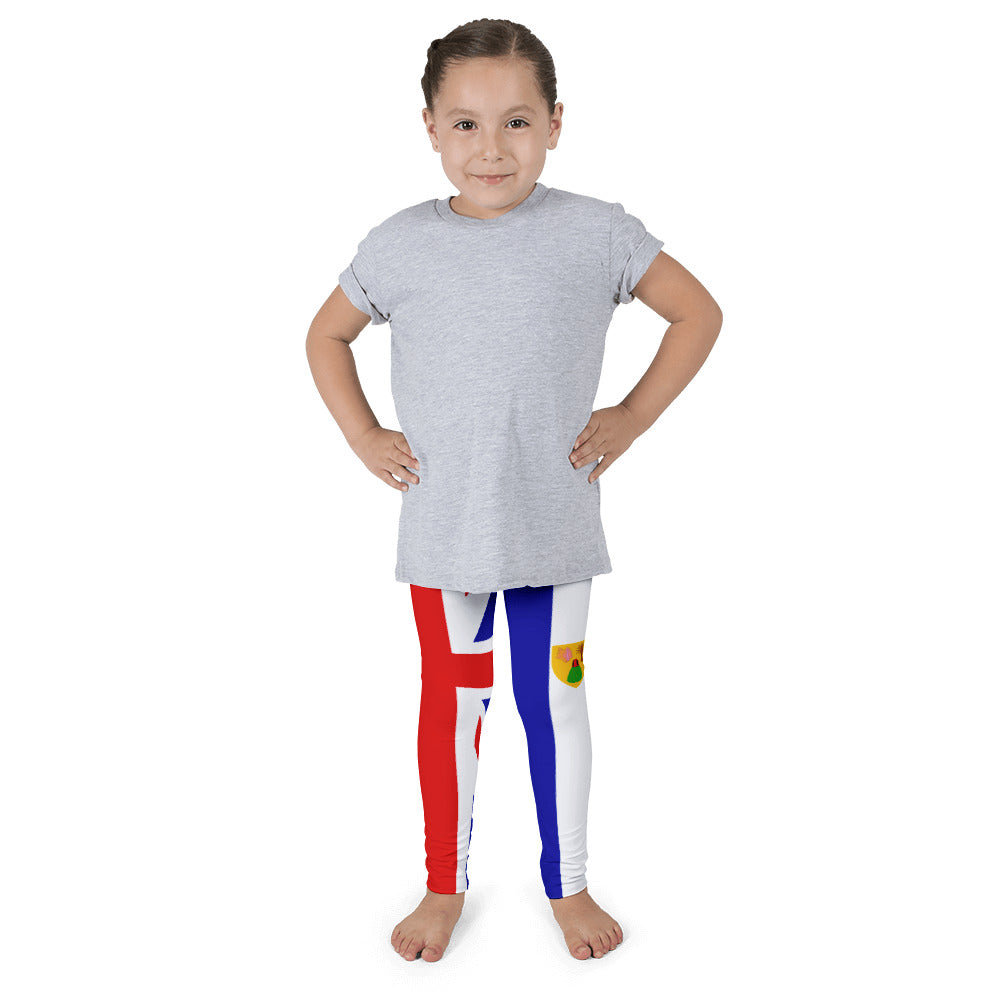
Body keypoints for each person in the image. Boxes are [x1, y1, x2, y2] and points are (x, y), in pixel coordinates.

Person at [305, 18, 723, 964]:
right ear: (430, 128)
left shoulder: (596, 233)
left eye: (517, 122)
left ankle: (568, 883)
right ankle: (442, 884)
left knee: (556, 704)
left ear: (555, 123)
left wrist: (633, 416)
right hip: (445, 531)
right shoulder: (399, 244)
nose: (490, 148)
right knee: (452, 706)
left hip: (552, 530)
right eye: (465, 123)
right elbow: (324, 336)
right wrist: (363, 435)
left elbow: (697, 313)